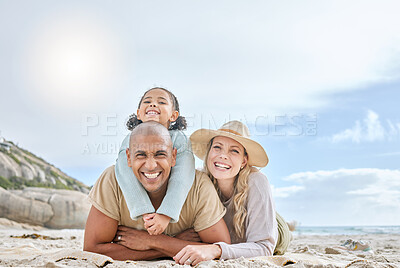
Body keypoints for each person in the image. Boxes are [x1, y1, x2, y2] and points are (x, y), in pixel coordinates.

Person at [84, 122, 231, 261]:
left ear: (173, 156)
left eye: (160, 154)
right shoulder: (112, 179)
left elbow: (221, 249)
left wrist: (153, 241)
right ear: (128, 158)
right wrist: (170, 245)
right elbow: (93, 249)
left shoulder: (199, 186)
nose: (150, 165)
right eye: (141, 155)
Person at [173, 120, 291, 265]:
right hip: (232, 240)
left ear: (243, 161)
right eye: (217, 147)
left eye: (234, 151)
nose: (223, 156)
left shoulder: (257, 182)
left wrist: (216, 250)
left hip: (272, 226)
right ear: (208, 153)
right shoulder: (199, 181)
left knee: (280, 239)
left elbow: (265, 247)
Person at [115, 87, 195, 235]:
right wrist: (143, 210)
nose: (153, 104)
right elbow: (125, 173)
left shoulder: (179, 139)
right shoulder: (131, 139)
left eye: (161, 102)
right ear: (139, 113)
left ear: (173, 115)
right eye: (147, 101)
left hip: (171, 210)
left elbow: (182, 176)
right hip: (146, 210)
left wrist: (166, 214)